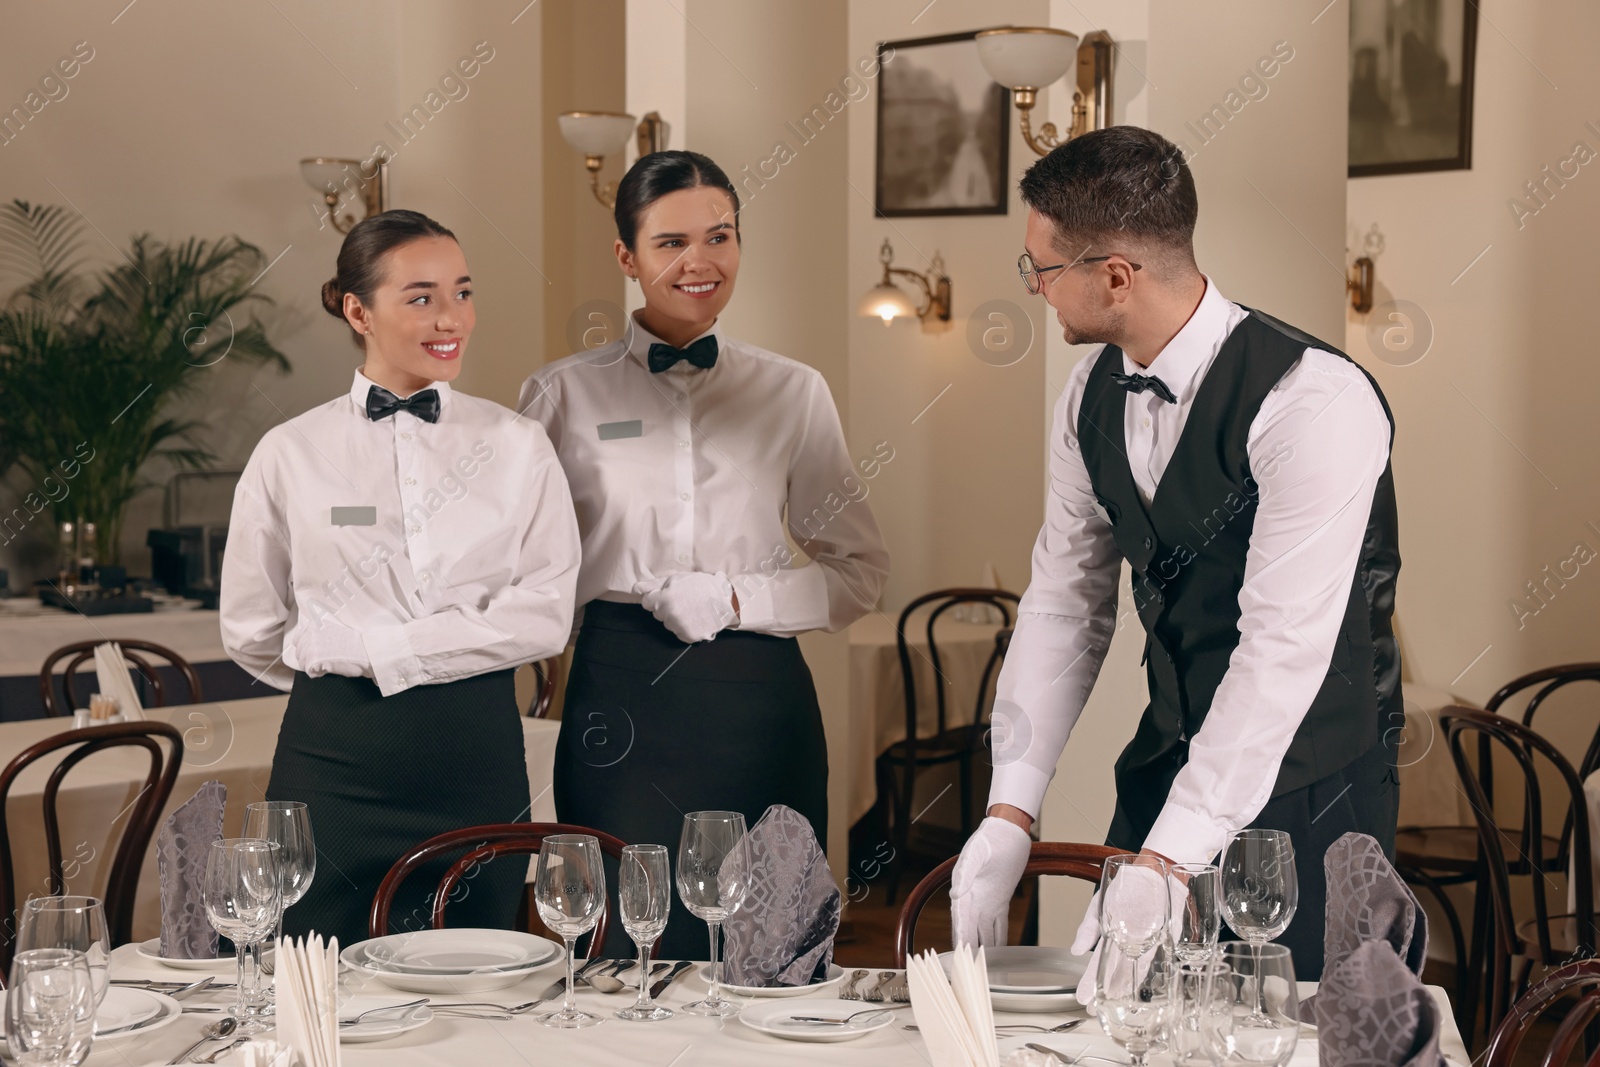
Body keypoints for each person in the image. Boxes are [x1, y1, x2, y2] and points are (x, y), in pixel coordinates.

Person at [948, 126, 1401, 983]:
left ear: (1114, 275)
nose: (1035, 289)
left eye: (1040, 269)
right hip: (1167, 765)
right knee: (1114, 1031)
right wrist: (1013, 802)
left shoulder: (1315, 401)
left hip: (1311, 796)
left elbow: (1281, 652)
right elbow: (1064, 603)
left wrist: (1167, 861)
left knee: (1280, 1041)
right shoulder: (1088, 393)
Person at [519, 150, 889, 958]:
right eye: (670, 242)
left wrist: (734, 600)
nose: (700, 261)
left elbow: (860, 573)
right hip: (619, 700)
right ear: (626, 257)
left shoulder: (794, 391)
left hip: (760, 700)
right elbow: (523, 571)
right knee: (629, 946)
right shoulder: (559, 395)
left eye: (720, 236)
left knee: (774, 946)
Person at [221, 209, 581, 944]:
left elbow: (545, 614)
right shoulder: (288, 453)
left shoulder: (520, 447)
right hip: (332, 765)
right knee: (315, 981)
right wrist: (341, 685)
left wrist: (372, 653)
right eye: (420, 296)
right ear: (358, 310)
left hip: (473, 759)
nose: (451, 318)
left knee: (475, 984)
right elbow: (251, 629)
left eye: (463, 291)